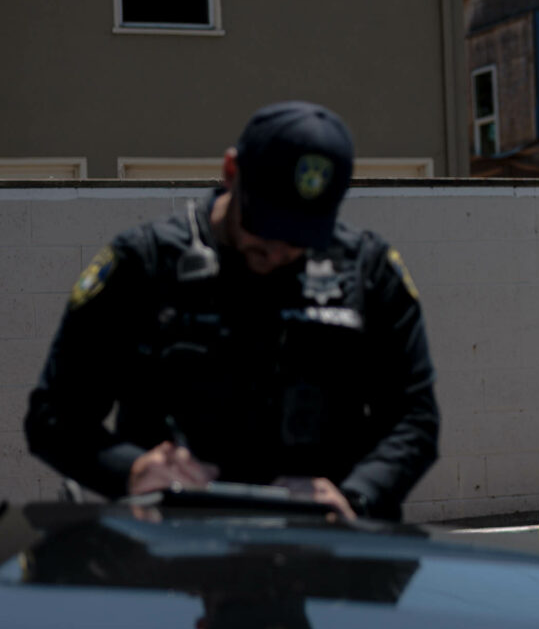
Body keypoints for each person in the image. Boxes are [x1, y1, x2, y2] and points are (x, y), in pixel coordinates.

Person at [25, 101, 439, 520]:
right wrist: (131, 469)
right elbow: (53, 417)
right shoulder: (145, 265)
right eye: (267, 224)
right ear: (230, 172)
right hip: (173, 550)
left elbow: (415, 419)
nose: (278, 250)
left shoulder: (368, 271)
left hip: (324, 552)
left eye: (300, 235)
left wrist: (356, 496)